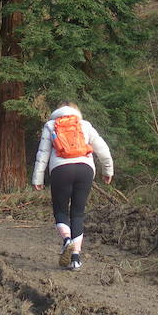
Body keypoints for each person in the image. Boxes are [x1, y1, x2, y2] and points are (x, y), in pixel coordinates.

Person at [31, 103, 113, 270]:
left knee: (61, 211)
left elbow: (43, 153)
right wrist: (108, 170)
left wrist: (37, 178)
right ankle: (76, 258)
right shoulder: (85, 125)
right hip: (85, 169)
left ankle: (67, 240)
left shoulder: (51, 125)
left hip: (61, 170)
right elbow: (102, 148)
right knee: (78, 213)